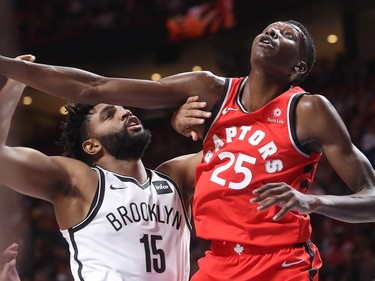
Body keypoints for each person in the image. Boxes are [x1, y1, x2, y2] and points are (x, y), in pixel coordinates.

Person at [1, 19, 375, 280]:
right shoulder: (209, 90)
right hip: (218, 264)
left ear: (299, 67)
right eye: (268, 28)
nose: (273, 32)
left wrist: (317, 202)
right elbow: (96, 87)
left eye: (287, 34)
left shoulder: (307, 109)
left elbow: (370, 198)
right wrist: (12, 74)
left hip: (280, 262)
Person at [0, 57, 202, 280]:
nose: (125, 112)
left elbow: (234, 149)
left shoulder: (176, 176)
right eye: (109, 115)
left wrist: (187, 121)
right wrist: (17, 79)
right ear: (92, 145)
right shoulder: (80, 181)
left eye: (122, 108)